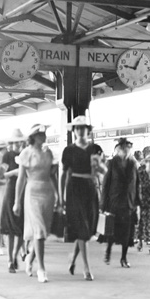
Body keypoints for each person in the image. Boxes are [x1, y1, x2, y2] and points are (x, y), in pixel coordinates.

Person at [14, 124, 59, 283]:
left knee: (43, 232)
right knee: (39, 231)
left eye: (44, 133)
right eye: (40, 134)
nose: (44, 136)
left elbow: (53, 176)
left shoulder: (48, 153)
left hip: (47, 193)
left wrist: (58, 195)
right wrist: (16, 202)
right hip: (32, 193)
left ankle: (30, 258)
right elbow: (21, 179)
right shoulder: (26, 153)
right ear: (33, 137)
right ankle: (41, 268)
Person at [60, 116, 100, 281]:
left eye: (83, 128)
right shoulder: (68, 151)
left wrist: (101, 191)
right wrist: (61, 195)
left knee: (87, 230)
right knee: (82, 228)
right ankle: (86, 267)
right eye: (77, 128)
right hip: (74, 189)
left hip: (90, 188)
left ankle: (72, 258)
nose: (80, 131)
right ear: (74, 131)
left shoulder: (95, 148)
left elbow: (98, 171)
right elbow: (65, 174)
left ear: (88, 130)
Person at [101, 138, 140, 268]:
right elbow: (106, 184)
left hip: (129, 203)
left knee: (127, 232)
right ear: (119, 150)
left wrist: (138, 202)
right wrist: (103, 204)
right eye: (124, 149)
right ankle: (108, 251)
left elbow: (137, 184)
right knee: (112, 230)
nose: (126, 151)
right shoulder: (111, 163)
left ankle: (124, 258)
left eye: (128, 149)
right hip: (114, 201)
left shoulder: (133, 164)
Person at [0, 129, 25, 273]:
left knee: (21, 229)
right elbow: (1, 174)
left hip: (23, 192)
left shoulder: (26, 154)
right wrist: (16, 172)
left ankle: (15, 254)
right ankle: (10, 260)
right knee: (9, 229)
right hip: (10, 192)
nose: (17, 144)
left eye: (19, 141)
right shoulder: (7, 156)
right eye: (15, 142)